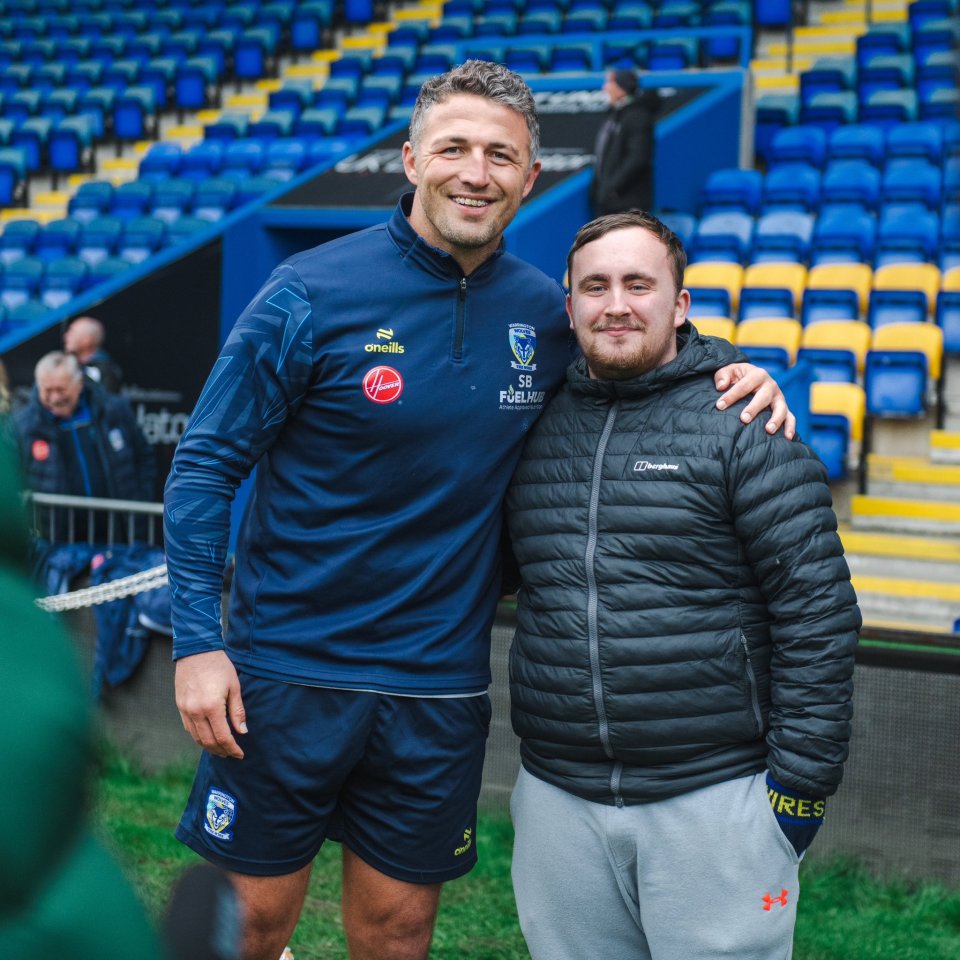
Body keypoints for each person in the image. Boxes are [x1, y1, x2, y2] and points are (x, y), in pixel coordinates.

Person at [164, 61, 794, 960]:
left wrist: (739, 364)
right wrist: (197, 642)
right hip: (284, 677)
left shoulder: (546, 315)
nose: (476, 170)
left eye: (502, 154)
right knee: (247, 927)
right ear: (412, 158)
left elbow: (645, 345)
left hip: (437, 690)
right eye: (454, 147)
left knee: (398, 933)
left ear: (531, 178)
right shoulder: (310, 291)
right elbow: (203, 467)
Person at [506, 211, 861, 960]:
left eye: (640, 283)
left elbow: (818, 615)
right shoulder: (531, 424)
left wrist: (796, 795)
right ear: (568, 307)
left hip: (713, 797)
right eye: (594, 286)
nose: (616, 304)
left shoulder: (745, 423)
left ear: (681, 303)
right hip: (558, 798)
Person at [13, 351, 155, 541]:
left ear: (79, 384)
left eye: (61, 390)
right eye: (47, 391)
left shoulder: (114, 410)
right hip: (57, 542)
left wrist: (141, 498)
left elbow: (144, 456)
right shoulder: (23, 425)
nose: (54, 398)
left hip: (119, 535)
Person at [590, 68, 658, 217]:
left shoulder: (638, 116)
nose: (605, 88)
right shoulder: (614, 115)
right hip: (608, 203)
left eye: (609, 83)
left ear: (621, 88)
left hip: (627, 203)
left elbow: (638, 158)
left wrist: (612, 188)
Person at [64, 315, 125, 393]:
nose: (66, 337)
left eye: (72, 332)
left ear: (86, 340)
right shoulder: (71, 365)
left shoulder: (105, 370)